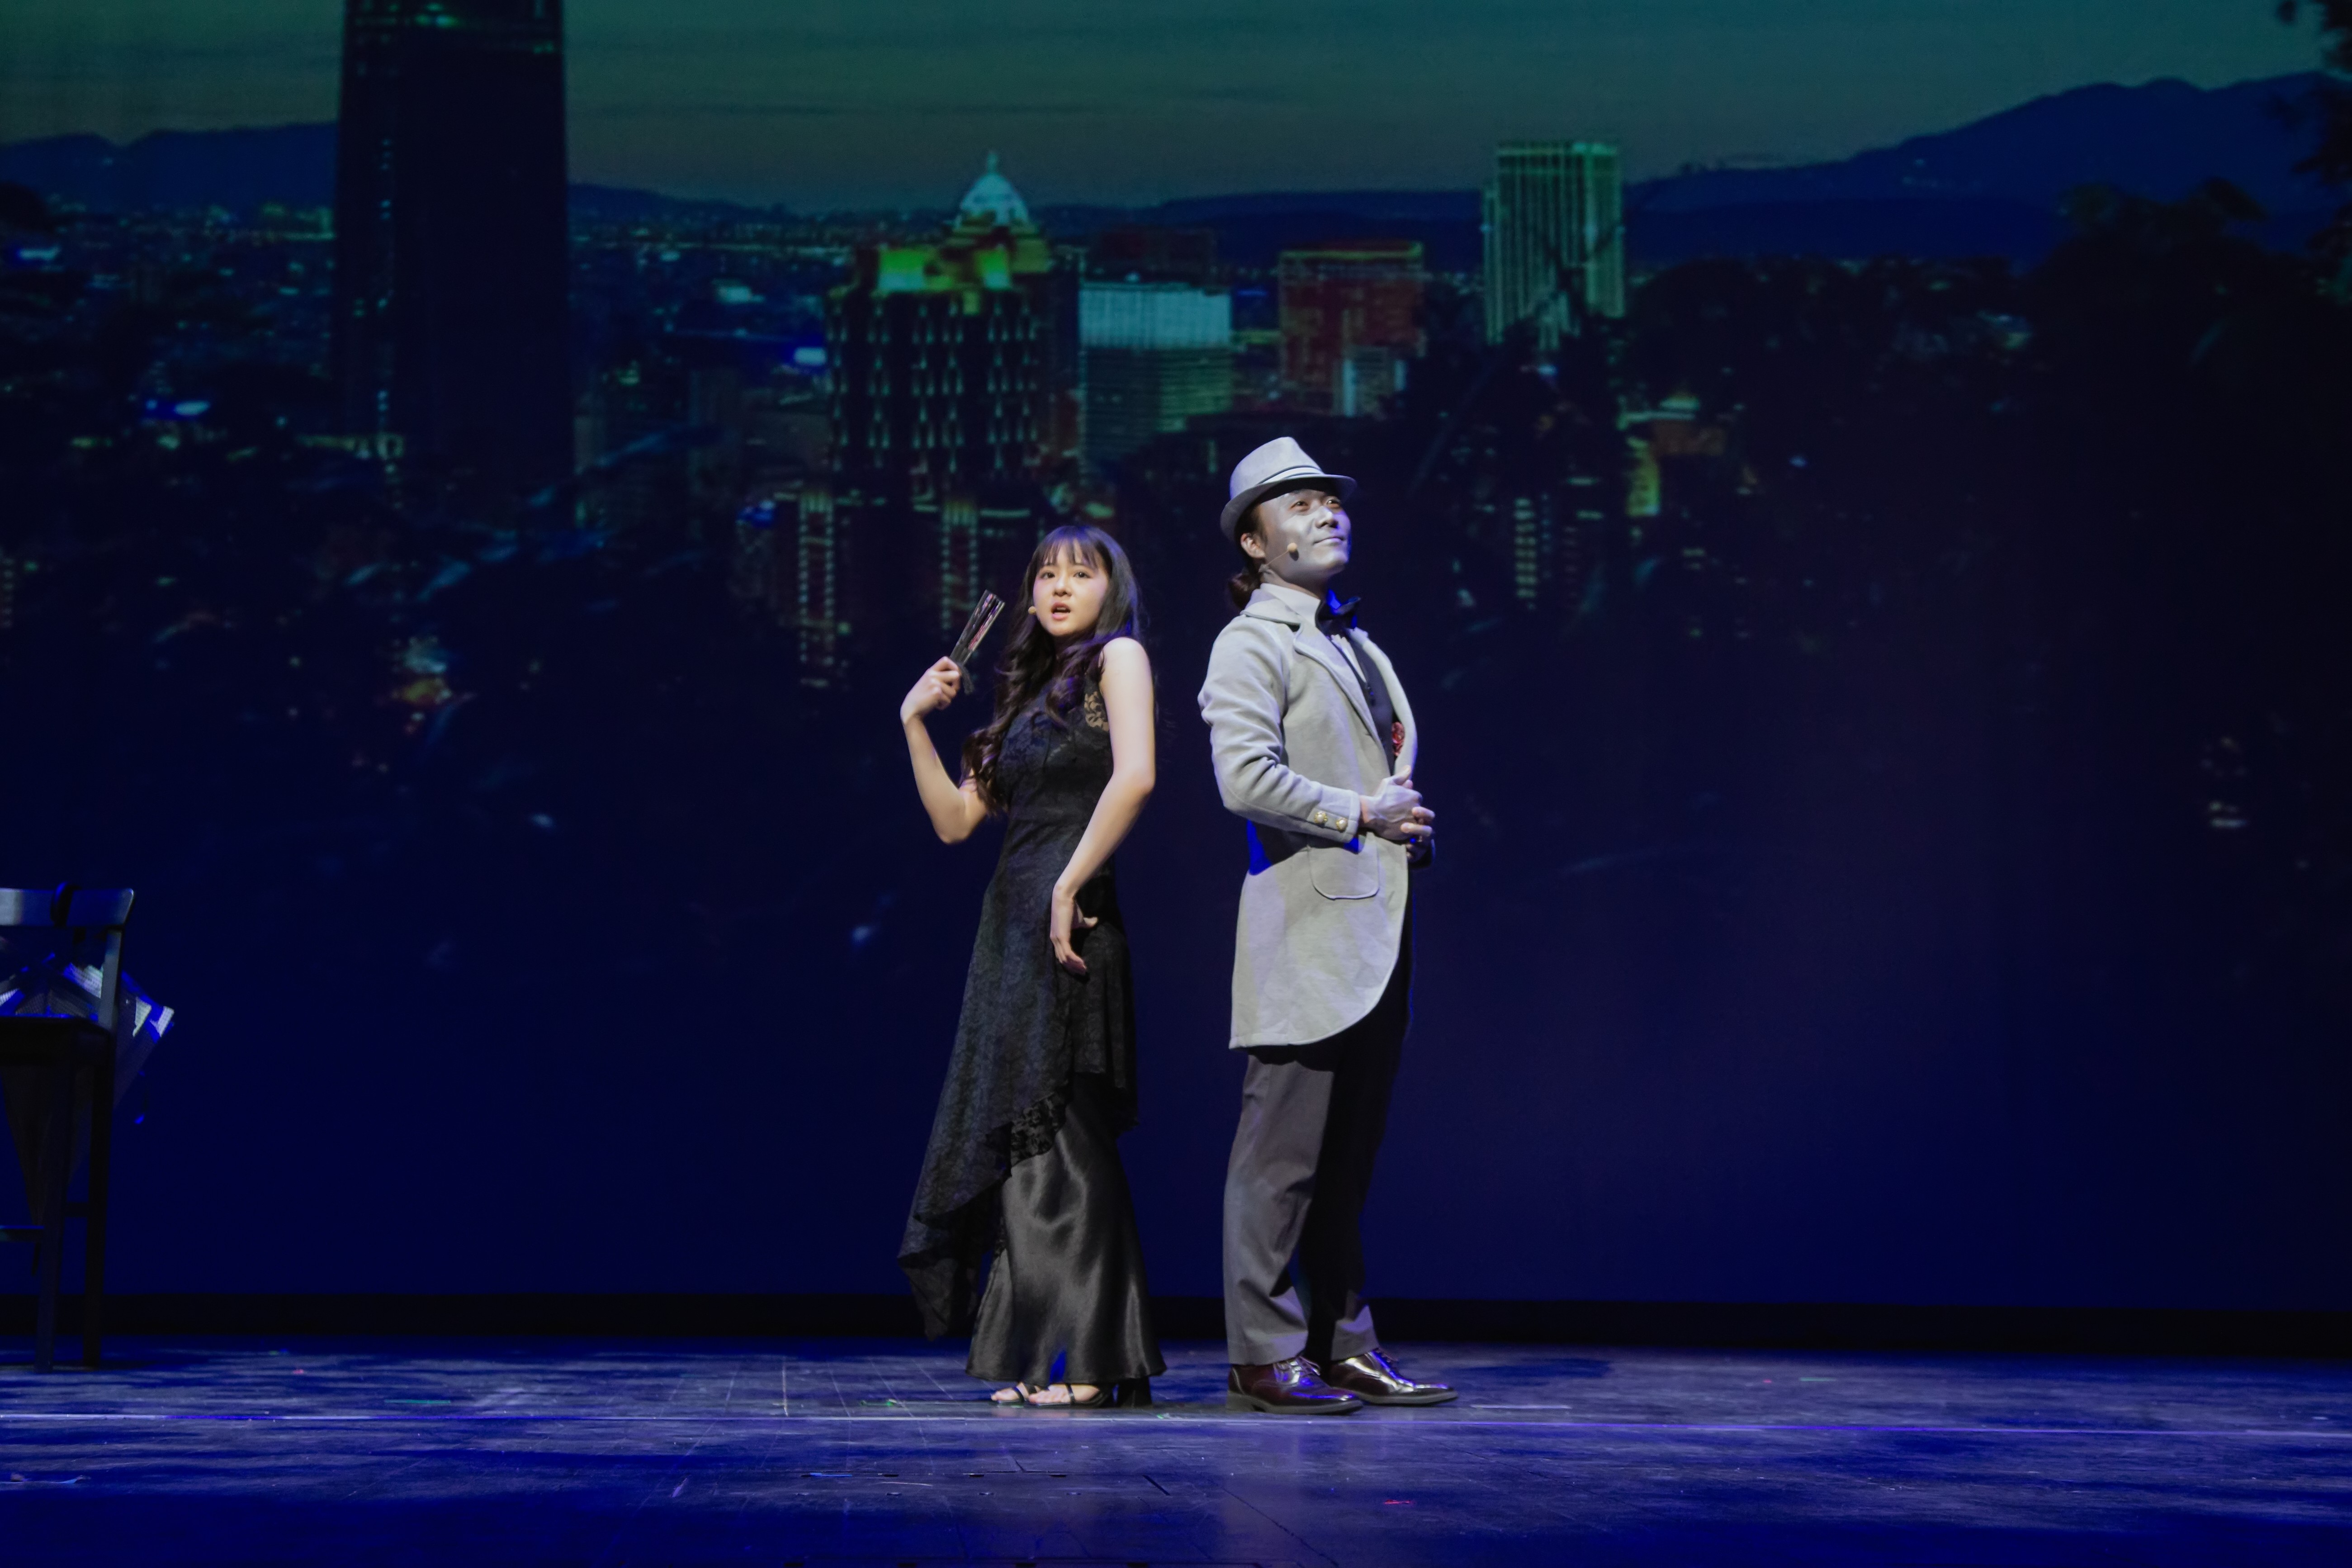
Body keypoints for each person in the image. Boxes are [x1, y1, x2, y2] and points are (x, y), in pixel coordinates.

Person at [1198, 437, 1457, 1414]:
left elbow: (1379, 774)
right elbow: (1243, 779)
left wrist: (1400, 824)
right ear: (1255, 541)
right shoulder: (1252, 642)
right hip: (1305, 931)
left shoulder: (1356, 640)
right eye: (1299, 505)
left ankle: (1341, 1343)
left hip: (1373, 931)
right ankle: (1262, 1353)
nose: (1326, 513)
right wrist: (1362, 813)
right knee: (1281, 1159)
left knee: (1345, 1162)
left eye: (1331, 501)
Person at [895, 524, 1164, 1408]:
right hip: (1010, 930)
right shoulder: (1027, 698)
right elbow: (955, 823)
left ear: (1109, 588)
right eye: (1046, 574)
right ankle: (1030, 1350)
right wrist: (914, 724)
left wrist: (1070, 882)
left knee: (1069, 1136)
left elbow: (1136, 776)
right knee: (1023, 1141)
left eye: (1078, 574)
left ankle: (1093, 1360)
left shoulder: (1117, 660)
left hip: (1074, 917)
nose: (1058, 588)